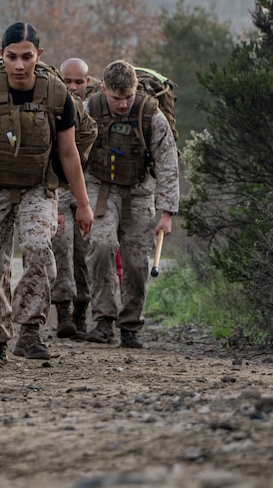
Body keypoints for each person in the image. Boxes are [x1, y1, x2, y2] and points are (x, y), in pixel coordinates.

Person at [0, 23, 93, 368]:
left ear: (39, 56)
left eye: (27, 57)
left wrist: (83, 205)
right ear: (2, 56)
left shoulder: (56, 94)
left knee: (40, 248)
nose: (20, 65)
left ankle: (30, 331)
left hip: (37, 187)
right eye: (12, 57)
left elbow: (69, 154)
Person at [83, 60, 179, 348]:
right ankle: (102, 320)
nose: (123, 104)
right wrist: (74, 200)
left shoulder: (151, 115)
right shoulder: (90, 109)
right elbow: (71, 152)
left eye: (128, 97)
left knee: (137, 264)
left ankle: (130, 325)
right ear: (104, 89)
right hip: (99, 188)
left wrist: (167, 212)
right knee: (101, 247)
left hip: (139, 192)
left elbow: (167, 163)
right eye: (116, 98)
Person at [50, 57, 95, 339]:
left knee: (85, 253)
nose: (73, 86)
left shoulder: (95, 109)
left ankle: (82, 312)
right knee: (60, 250)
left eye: (79, 81)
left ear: (87, 82)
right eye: (67, 80)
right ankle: (63, 312)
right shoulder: (52, 105)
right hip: (57, 188)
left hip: (88, 190)